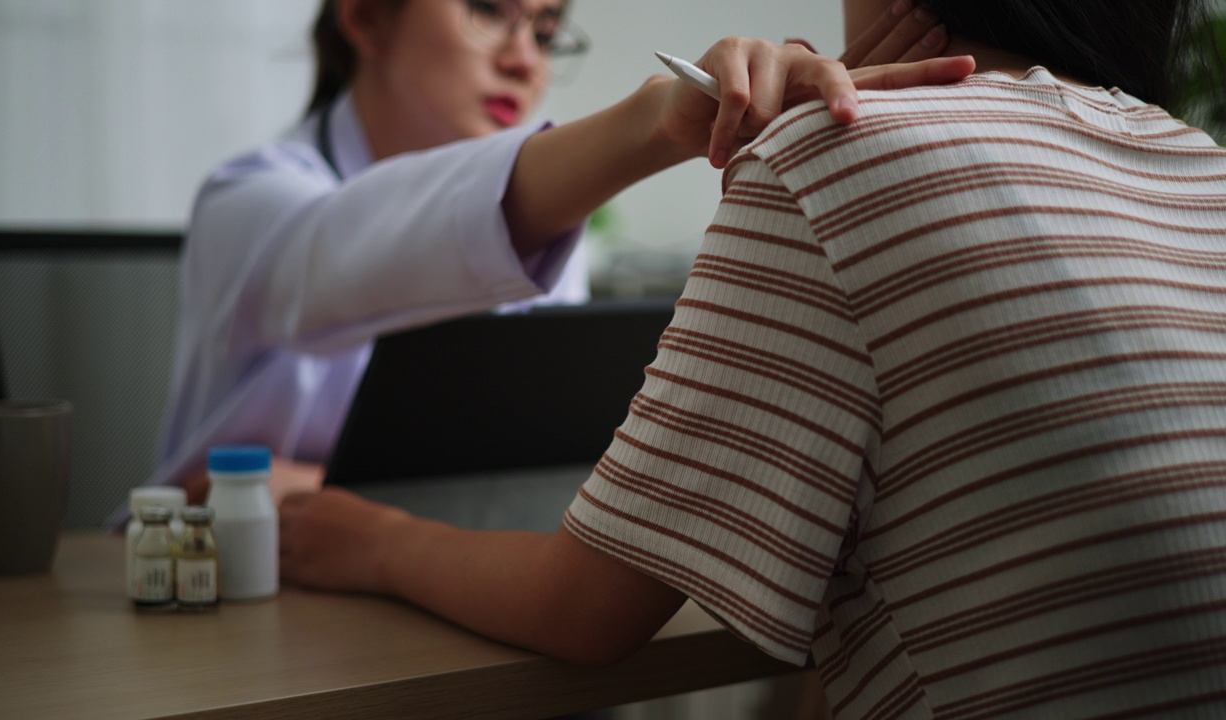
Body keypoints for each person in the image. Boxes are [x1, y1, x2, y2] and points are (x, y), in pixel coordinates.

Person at [276, 0, 1226, 717]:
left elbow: (581, 611)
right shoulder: (1201, 165)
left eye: (544, 22)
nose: (522, 50)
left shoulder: (839, 151)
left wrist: (363, 537)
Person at [144, 0, 971, 507]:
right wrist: (651, 122)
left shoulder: (546, 222)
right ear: (363, 14)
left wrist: (849, 150)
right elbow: (348, 258)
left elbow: (524, 453)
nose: (523, 56)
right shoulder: (247, 203)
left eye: (545, 27)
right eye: (486, 9)